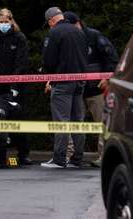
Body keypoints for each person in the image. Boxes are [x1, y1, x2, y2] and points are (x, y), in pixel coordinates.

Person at [63, 11, 119, 167]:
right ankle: (74, 156)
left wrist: (107, 78)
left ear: (77, 23)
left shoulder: (94, 36)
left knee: (102, 123)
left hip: (97, 88)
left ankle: (104, 157)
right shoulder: (69, 39)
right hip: (77, 88)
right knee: (75, 123)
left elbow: (111, 58)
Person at [0, 8, 32, 165]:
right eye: (1, 22)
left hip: (15, 87)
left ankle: (23, 154)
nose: (4, 24)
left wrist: (15, 87)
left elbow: (21, 64)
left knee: (17, 120)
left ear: (12, 21)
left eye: (6, 21)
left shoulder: (19, 38)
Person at [40, 7, 87, 168]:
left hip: (62, 83)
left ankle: (59, 159)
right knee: (77, 121)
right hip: (80, 82)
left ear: (51, 20)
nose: (49, 26)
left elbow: (49, 61)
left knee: (61, 121)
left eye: (48, 23)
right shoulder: (79, 32)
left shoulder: (54, 33)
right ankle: (77, 158)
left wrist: (50, 78)